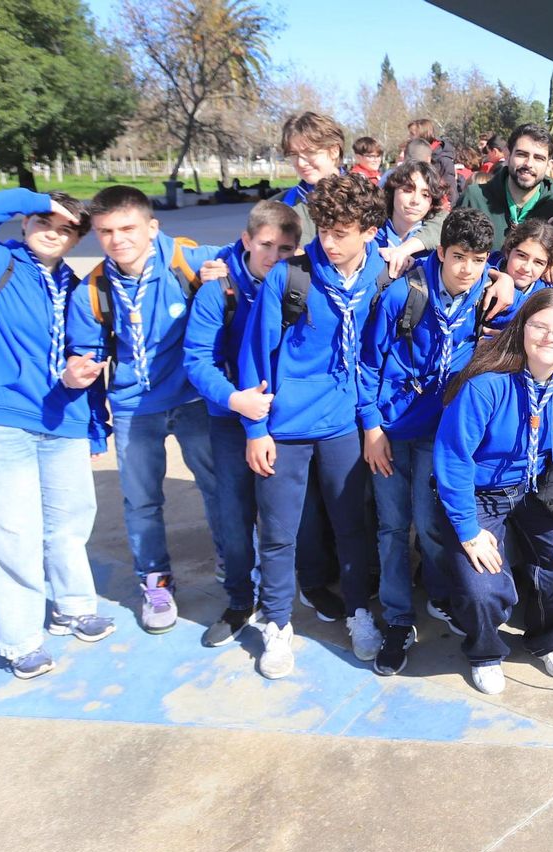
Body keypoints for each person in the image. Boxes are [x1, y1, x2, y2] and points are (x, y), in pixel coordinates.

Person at [0, 186, 112, 678]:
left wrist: (86, 397)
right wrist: (31, 198)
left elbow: (84, 350)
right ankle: (21, 639)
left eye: (65, 230)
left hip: (62, 419)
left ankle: (74, 605)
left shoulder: (75, 285)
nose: (53, 234)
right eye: (44, 223)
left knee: (71, 520)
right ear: (24, 222)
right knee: (11, 531)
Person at [63, 186, 229, 634]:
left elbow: (255, 249)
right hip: (135, 406)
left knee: (217, 486)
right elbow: (86, 353)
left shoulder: (187, 260)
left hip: (193, 398)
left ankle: (230, 559)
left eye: (128, 228)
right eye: (106, 231)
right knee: (141, 501)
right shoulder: (93, 289)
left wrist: (229, 270)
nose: (118, 239)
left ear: (152, 227)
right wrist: (81, 377)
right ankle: (154, 581)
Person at [238, 174, 384, 678]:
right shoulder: (290, 277)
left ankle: (360, 611)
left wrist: (369, 423)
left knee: (351, 527)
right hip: (286, 427)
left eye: (341, 231)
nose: (328, 241)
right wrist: (257, 430)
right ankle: (277, 625)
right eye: (323, 229)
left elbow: (370, 356)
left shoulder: (379, 276)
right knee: (279, 534)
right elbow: (255, 354)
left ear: (369, 230)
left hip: (342, 424)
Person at [432, 288, 553, 695]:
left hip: (533, 492)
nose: (550, 337)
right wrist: (469, 530)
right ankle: (486, 651)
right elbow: (454, 458)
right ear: (522, 328)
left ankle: (546, 640)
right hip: (480, 497)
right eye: (540, 326)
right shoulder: (486, 386)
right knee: (481, 588)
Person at [359, 208, 497, 672]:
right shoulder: (405, 293)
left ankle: (439, 594)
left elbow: (541, 303)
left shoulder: (486, 295)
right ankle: (398, 620)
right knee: (393, 527)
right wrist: (372, 427)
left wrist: (506, 281)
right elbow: (368, 364)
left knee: (431, 522)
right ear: (440, 252)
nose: (467, 269)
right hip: (393, 431)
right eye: (458, 257)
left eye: (478, 260)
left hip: (440, 434)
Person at [182, 200, 301, 649]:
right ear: (247, 241)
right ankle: (238, 600)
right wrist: (235, 399)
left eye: (286, 249)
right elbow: (198, 358)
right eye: (266, 245)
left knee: (280, 518)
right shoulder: (221, 288)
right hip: (232, 418)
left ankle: (279, 606)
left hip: (284, 420)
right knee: (233, 516)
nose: (274, 256)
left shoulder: (296, 284)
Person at [457, 123, 553, 251]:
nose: (529, 164)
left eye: (538, 158)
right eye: (521, 154)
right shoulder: (474, 198)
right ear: (507, 154)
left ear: (549, 165)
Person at [279, 111, 347, 246]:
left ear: (334, 151)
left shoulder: (367, 200)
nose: (300, 163)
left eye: (310, 152)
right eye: (294, 154)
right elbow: (251, 249)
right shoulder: (280, 205)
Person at [376, 158, 449, 279]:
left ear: (432, 202)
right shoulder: (371, 233)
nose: (415, 200)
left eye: (425, 195)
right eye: (407, 190)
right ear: (393, 192)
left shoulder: (437, 250)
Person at [407, 118, 459, 206]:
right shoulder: (411, 155)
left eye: (412, 134)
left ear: (423, 134)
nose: (409, 138)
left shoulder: (443, 160)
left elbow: (451, 193)